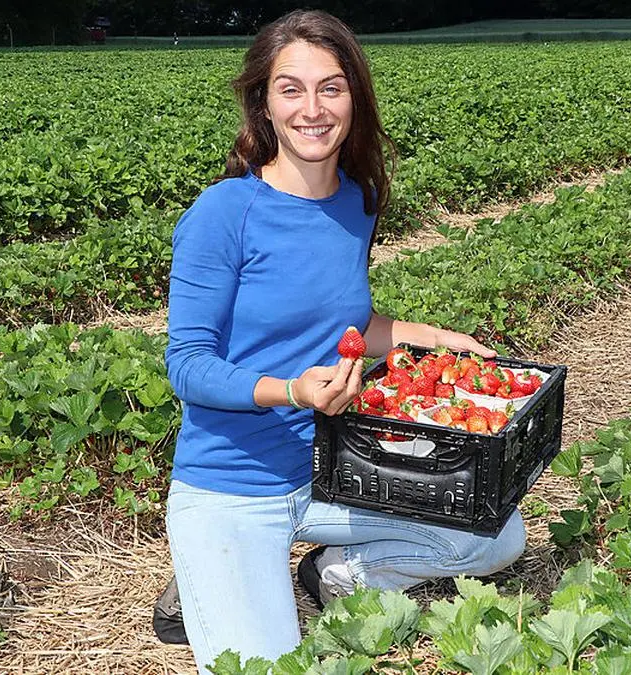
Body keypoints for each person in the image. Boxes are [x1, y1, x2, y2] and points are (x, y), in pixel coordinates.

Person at [156, 9, 528, 671]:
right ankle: (211, 568)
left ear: (354, 97)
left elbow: (343, 324)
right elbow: (187, 365)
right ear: (264, 103)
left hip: (334, 470)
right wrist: (293, 389)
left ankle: (339, 574)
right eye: (291, 88)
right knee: (270, 665)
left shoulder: (355, 200)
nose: (313, 108)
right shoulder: (223, 213)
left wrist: (437, 338)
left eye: (331, 87)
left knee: (497, 536)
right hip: (233, 485)